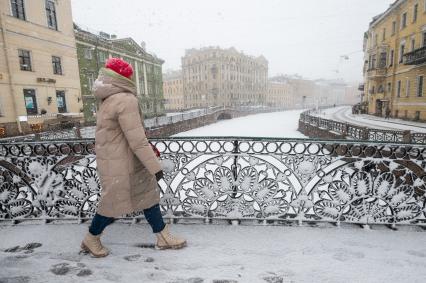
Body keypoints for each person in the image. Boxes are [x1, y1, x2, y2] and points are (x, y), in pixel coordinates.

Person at [80, 58, 186, 258]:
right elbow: (137, 140)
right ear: (124, 77)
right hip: (124, 162)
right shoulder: (126, 100)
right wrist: (156, 167)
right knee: (111, 203)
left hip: (115, 160)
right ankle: (91, 238)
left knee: (147, 198)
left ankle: (162, 236)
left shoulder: (108, 98)